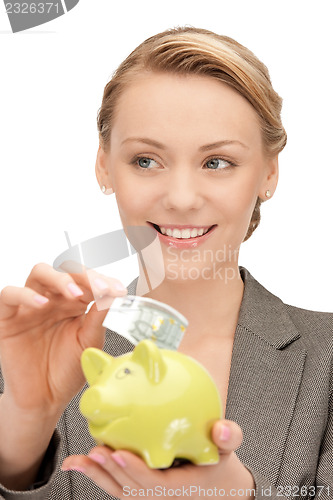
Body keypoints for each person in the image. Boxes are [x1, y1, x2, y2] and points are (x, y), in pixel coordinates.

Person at [0, 26, 332, 500]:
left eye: (216, 162)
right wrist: (25, 428)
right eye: (146, 160)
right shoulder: (24, 362)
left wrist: (242, 497)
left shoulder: (328, 362)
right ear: (104, 165)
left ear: (269, 172)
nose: (179, 199)